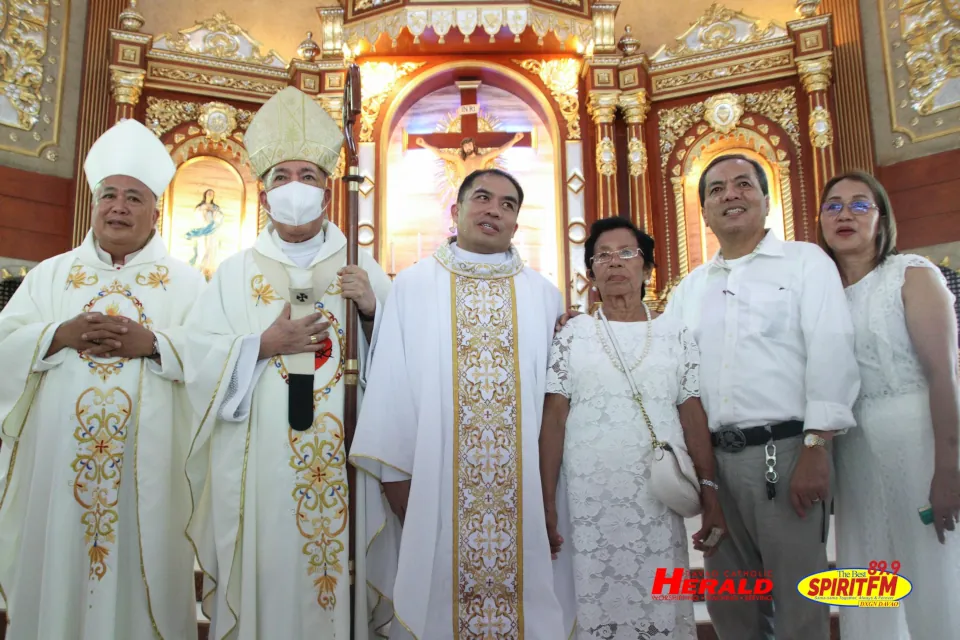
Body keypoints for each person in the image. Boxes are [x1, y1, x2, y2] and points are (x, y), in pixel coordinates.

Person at [181, 86, 393, 639]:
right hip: (259, 465)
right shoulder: (232, 273)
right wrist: (262, 344)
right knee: (267, 576)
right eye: (281, 176)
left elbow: (404, 363)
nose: (294, 187)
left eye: (308, 175)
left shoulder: (360, 265)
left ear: (328, 190)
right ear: (263, 188)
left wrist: (372, 310)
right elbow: (197, 364)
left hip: (346, 458)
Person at [350, 168, 577, 639]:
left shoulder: (544, 297)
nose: (494, 210)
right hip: (433, 494)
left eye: (508, 204)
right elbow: (391, 390)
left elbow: (558, 408)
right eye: (482, 198)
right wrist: (399, 489)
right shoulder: (412, 286)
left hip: (525, 500)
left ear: (517, 224)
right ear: (456, 211)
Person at [0, 119, 205, 639]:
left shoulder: (186, 282)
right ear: (94, 204)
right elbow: (6, 343)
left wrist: (156, 344)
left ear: (156, 208)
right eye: (109, 195)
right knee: (58, 584)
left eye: (134, 198)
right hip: (58, 479)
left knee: (143, 586)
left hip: (153, 480)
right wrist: (57, 333)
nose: (118, 207)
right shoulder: (51, 274)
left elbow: (216, 357)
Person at [662, 154, 861, 639]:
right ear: (705, 212)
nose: (730, 194)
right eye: (716, 190)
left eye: (743, 184)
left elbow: (831, 351)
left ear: (767, 201)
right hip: (715, 466)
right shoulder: (690, 290)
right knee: (733, 608)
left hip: (787, 453)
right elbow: (668, 374)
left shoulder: (804, 263)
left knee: (798, 607)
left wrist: (817, 447)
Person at [540, 217, 725, 640]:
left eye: (627, 253)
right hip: (587, 503)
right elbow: (554, 420)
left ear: (647, 268)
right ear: (590, 275)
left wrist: (710, 491)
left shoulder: (674, 333)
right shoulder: (573, 335)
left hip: (658, 497)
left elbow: (693, 414)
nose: (615, 263)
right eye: (602, 256)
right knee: (593, 603)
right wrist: (546, 500)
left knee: (658, 603)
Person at [817, 171, 960, 639]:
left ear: (881, 220)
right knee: (871, 575)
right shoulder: (823, 297)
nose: (845, 214)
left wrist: (949, 469)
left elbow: (945, 375)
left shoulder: (911, 274)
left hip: (918, 440)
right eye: (833, 205)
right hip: (856, 453)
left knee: (932, 570)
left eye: (861, 205)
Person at [185, 188, 225, 279]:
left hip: (212, 231)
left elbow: (220, 217)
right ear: (205, 195)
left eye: (212, 194)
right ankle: (200, 268)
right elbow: (197, 215)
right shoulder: (200, 207)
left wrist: (214, 211)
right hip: (203, 231)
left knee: (211, 249)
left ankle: (210, 270)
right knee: (202, 248)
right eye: (209, 193)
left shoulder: (215, 207)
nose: (210, 195)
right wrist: (205, 209)